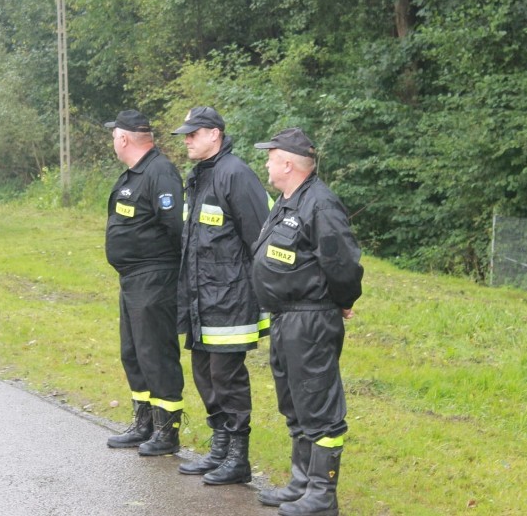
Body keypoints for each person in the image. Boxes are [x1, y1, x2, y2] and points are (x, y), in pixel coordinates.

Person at [250, 128, 363, 516]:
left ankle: (322, 494)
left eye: (270, 156)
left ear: (287, 163)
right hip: (285, 318)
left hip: (310, 319)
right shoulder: (287, 201)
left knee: (319, 407)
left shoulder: (320, 204)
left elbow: (343, 263)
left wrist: (342, 300)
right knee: (295, 404)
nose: (266, 163)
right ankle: (301, 483)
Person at [171, 106, 270, 484]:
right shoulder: (199, 176)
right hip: (200, 298)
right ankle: (219, 448)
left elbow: (259, 239)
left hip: (231, 299)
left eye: (193, 134)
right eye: (186, 135)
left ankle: (238, 458)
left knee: (227, 377)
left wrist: (262, 294)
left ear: (214, 134)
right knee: (203, 374)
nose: (188, 141)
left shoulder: (236, 175)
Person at [103, 110, 187, 455]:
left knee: (156, 353)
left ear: (123, 139)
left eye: (114, 136)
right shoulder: (134, 174)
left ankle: (167, 431)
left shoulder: (159, 172)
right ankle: (144, 423)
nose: (113, 141)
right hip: (132, 279)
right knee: (134, 352)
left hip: (155, 278)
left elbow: (177, 228)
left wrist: (172, 277)